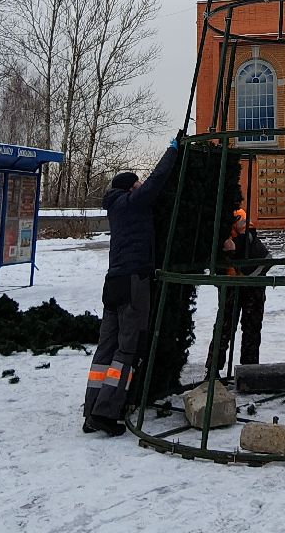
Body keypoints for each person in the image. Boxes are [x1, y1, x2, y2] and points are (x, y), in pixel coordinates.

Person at [82, 138, 180, 436]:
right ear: (129, 188)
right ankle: (106, 412)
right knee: (127, 349)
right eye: (136, 184)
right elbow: (157, 180)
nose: (140, 186)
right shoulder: (133, 202)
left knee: (105, 348)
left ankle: (90, 411)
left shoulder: (115, 207)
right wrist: (173, 151)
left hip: (113, 282)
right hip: (134, 282)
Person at [206, 207, 272, 379]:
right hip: (230, 277)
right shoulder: (209, 215)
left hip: (252, 272)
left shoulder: (237, 213)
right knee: (225, 324)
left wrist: (232, 244)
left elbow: (249, 234)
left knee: (251, 324)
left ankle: (249, 372)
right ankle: (213, 371)